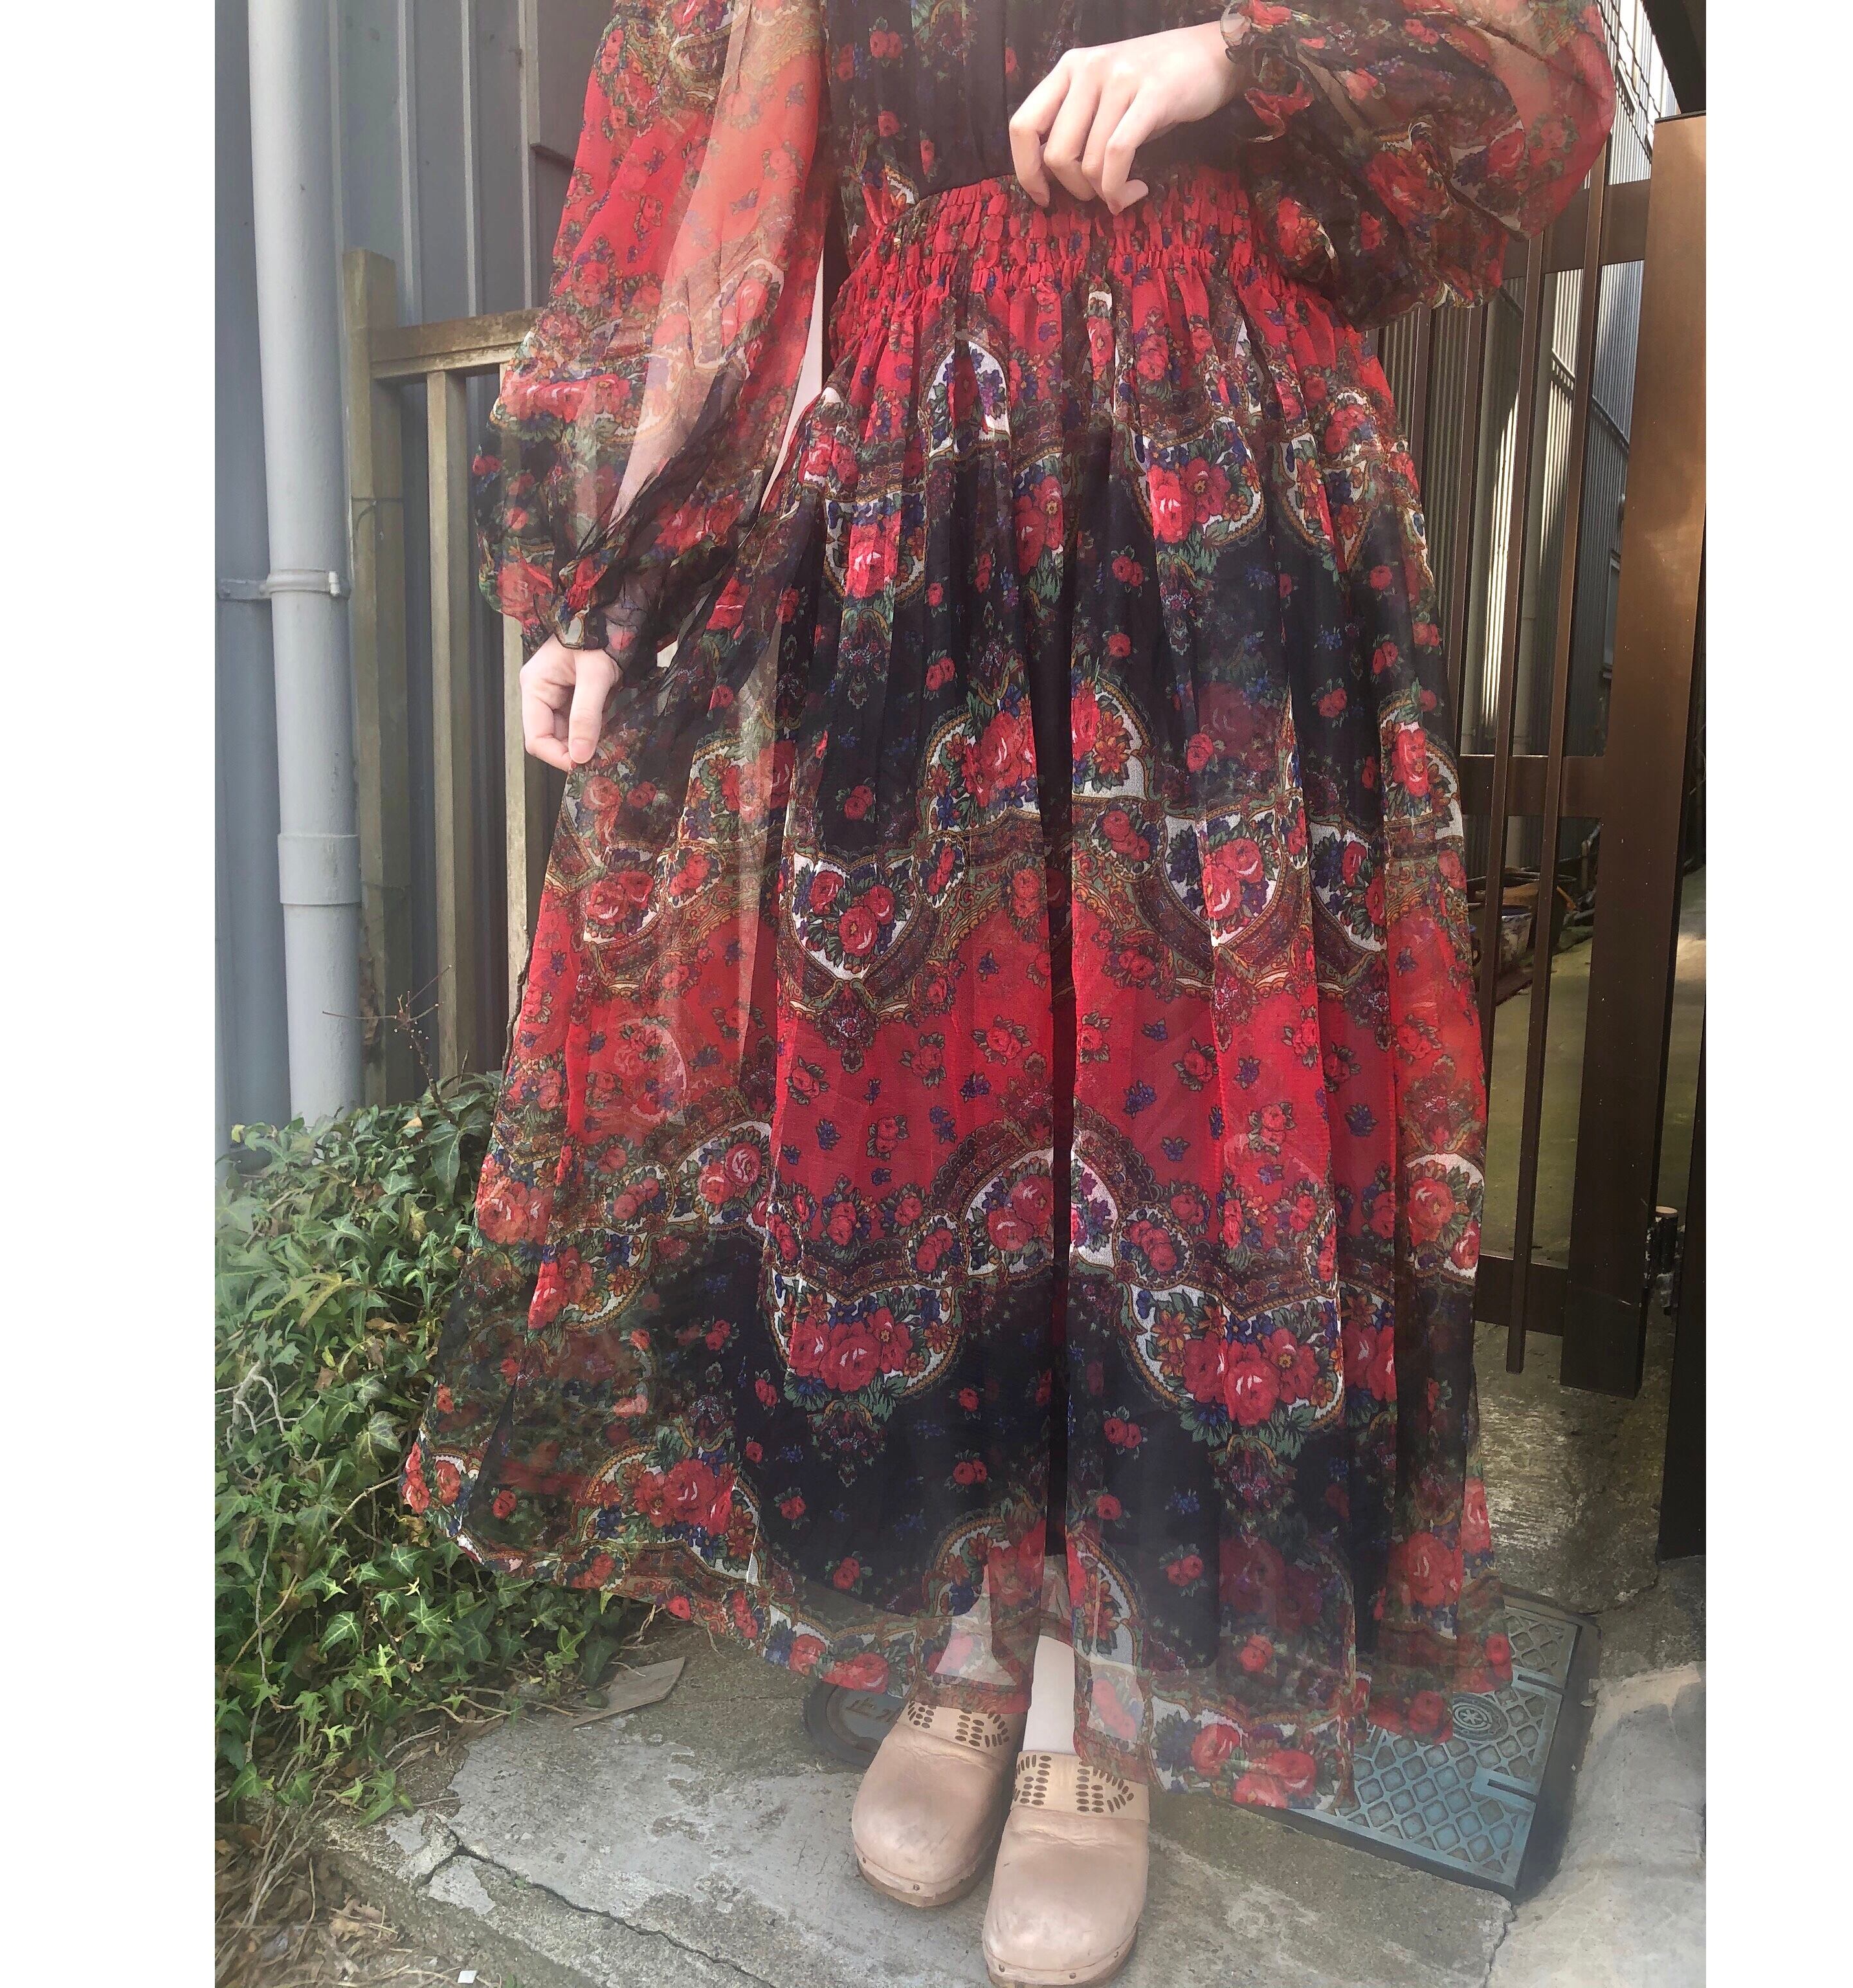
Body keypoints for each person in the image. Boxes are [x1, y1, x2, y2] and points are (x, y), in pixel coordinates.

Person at [404, 5, 1614, 1981]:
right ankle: (974, 1634)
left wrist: (1237, 58)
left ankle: (1103, 1690)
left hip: (1212, 464)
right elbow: (681, 190)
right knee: (925, 1100)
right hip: (908, 477)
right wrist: (610, 586)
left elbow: (1530, 66)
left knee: (1168, 1100)